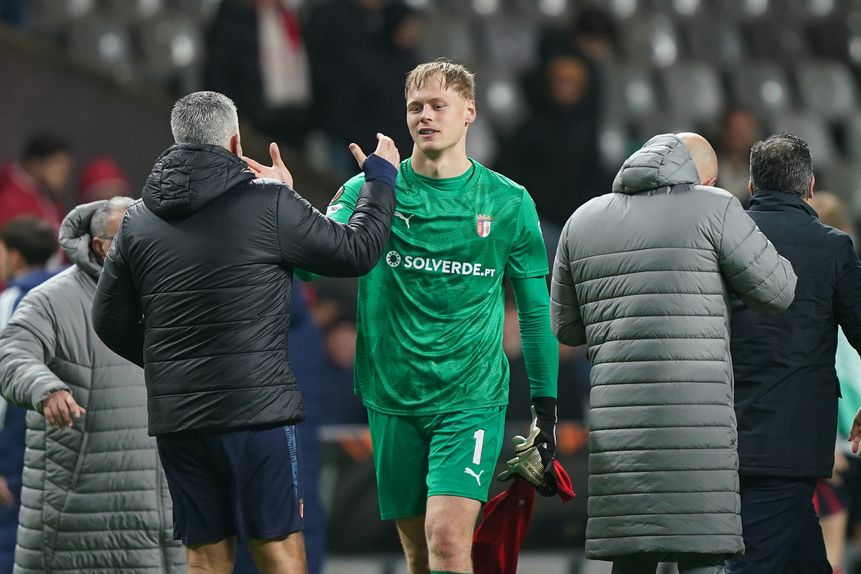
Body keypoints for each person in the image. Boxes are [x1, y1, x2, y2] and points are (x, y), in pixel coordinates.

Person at [91, 90, 397, 574]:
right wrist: (380, 180)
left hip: (180, 416)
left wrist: (178, 366)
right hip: (256, 415)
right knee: (277, 548)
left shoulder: (136, 222)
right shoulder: (269, 203)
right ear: (235, 141)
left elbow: (108, 321)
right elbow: (356, 252)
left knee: (206, 556)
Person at [320, 60, 559, 574]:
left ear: (469, 111)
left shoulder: (508, 202)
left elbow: (536, 311)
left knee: (448, 539)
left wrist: (547, 405)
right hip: (393, 395)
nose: (425, 116)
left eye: (437, 105)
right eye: (415, 107)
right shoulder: (373, 191)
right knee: (417, 553)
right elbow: (316, 259)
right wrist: (277, 206)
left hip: (470, 398)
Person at [550, 132, 797, 574]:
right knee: (700, 556)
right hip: (699, 430)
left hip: (619, 436)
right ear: (703, 177)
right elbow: (778, 291)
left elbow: (566, 329)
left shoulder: (581, 219)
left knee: (631, 560)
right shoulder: (716, 205)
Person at [0, 198, 186, 574]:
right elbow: (11, 354)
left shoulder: (171, 296)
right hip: (78, 520)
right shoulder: (50, 300)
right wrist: (47, 389)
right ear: (100, 246)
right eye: (130, 237)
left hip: (166, 524)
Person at [726, 134, 861, 574]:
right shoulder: (833, 247)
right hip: (794, 441)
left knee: (803, 558)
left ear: (751, 185)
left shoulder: (719, 243)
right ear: (810, 186)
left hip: (726, 431)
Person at [0, 216, 57, 574]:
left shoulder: (9, 303)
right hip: (64, 448)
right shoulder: (75, 294)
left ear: (15, 256)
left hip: (13, 456)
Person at [0, 133, 72, 229]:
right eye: (57, 163)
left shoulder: (50, 199)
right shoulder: (9, 201)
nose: (64, 172)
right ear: (35, 164)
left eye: (67, 166)